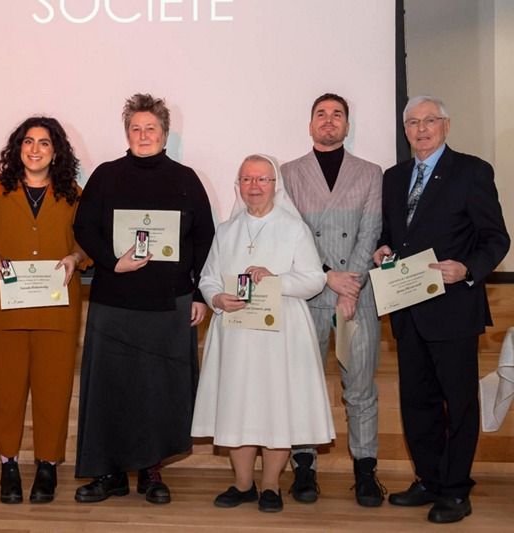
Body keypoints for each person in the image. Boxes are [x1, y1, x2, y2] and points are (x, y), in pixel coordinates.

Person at [373, 95, 509, 524]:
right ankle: (429, 480)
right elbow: (393, 233)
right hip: (407, 307)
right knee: (417, 403)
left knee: (459, 403)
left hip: (454, 309)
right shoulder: (394, 178)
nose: (421, 128)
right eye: (412, 122)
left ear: (446, 126)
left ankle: (455, 490)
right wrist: (383, 249)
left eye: (430, 120)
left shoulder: (471, 171)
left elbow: (496, 238)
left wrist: (468, 267)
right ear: (405, 130)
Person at [73, 93, 214, 504]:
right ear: (127, 133)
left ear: (165, 133)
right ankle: (109, 473)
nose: (143, 134)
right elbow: (84, 228)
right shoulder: (105, 175)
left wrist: (201, 292)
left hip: (169, 304)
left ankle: (152, 473)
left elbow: (205, 239)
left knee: (159, 391)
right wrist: (112, 263)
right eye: (135, 128)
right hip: (114, 302)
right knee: (109, 390)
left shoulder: (187, 179)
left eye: (150, 128)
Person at [191, 154, 335, 513]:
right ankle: (242, 484)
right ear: (238, 185)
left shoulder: (293, 227)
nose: (254, 187)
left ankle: (270, 485)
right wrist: (215, 297)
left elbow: (315, 278)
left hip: (281, 334)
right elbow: (208, 276)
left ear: (276, 185)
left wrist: (275, 280)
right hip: (235, 333)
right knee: (237, 404)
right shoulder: (226, 230)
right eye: (247, 180)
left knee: (276, 405)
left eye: (262, 180)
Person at [0, 116, 89, 504]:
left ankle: (47, 466)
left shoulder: (73, 194)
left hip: (56, 313)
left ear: (56, 151)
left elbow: (90, 243)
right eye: (28, 142)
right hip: (6, 311)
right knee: (8, 391)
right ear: (18, 148)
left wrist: (75, 257)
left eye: (44, 143)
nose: (35, 149)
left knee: (54, 391)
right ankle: (9, 466)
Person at [282, 93, 385, 506]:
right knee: (303, 384)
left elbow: (371, 229)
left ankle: (365, 472)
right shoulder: (288, 172)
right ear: (310, 125)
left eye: (337, 115)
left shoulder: (371, 172)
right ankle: (303, 469)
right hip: (306, 294)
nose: (328, 121)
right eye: (321, 115)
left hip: (355, 297)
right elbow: (290, 234)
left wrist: (350, 285)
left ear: (347, 125)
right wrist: (327, 277)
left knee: (360, 389)